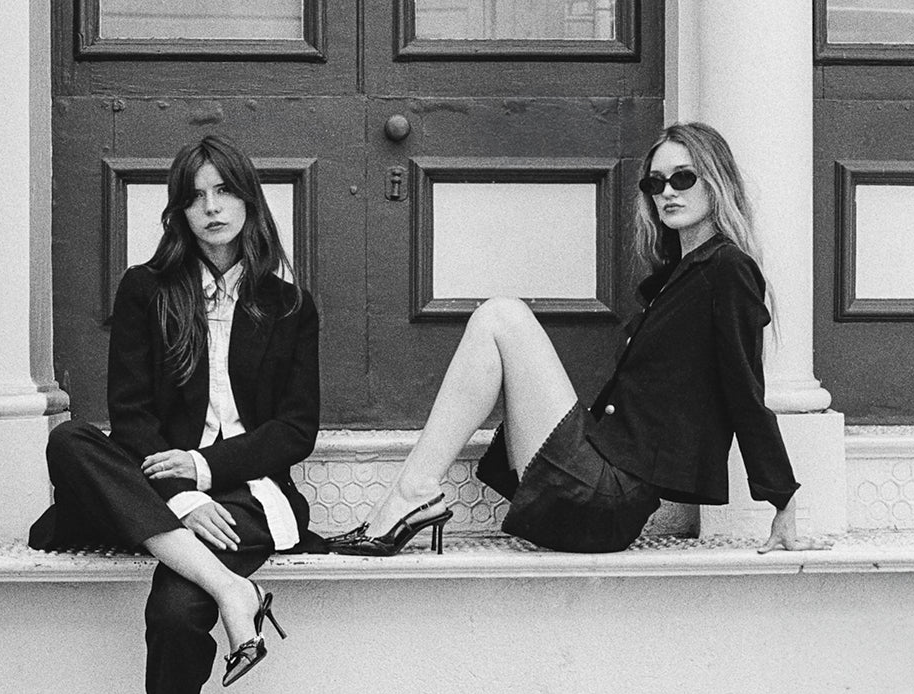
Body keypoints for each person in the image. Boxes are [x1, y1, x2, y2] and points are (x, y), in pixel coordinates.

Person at [29, 134, 321, 694]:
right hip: (161, 489)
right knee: (71, 441)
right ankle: (232, 589)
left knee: (172, 612)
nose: (211, 207)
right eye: (195, 195)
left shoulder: (287, 306)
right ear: (179, 210)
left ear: (250, 199)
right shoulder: (146, 289)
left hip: (248, 495)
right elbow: (129, 417)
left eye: (224, 191)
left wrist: (207, 464)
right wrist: (184, 494)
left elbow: (296, 429)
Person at [330, 122, 800, 558]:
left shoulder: (728, 269)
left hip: (605, 499)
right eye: (655, 183)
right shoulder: (677, 277)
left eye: (683, 179)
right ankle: (408, 496)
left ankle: (411, 495)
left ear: (716, 183)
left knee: (501, 316)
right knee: (498, 320)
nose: (667, 193)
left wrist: (781, 500)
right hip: (596, 484)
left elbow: (744, 389)